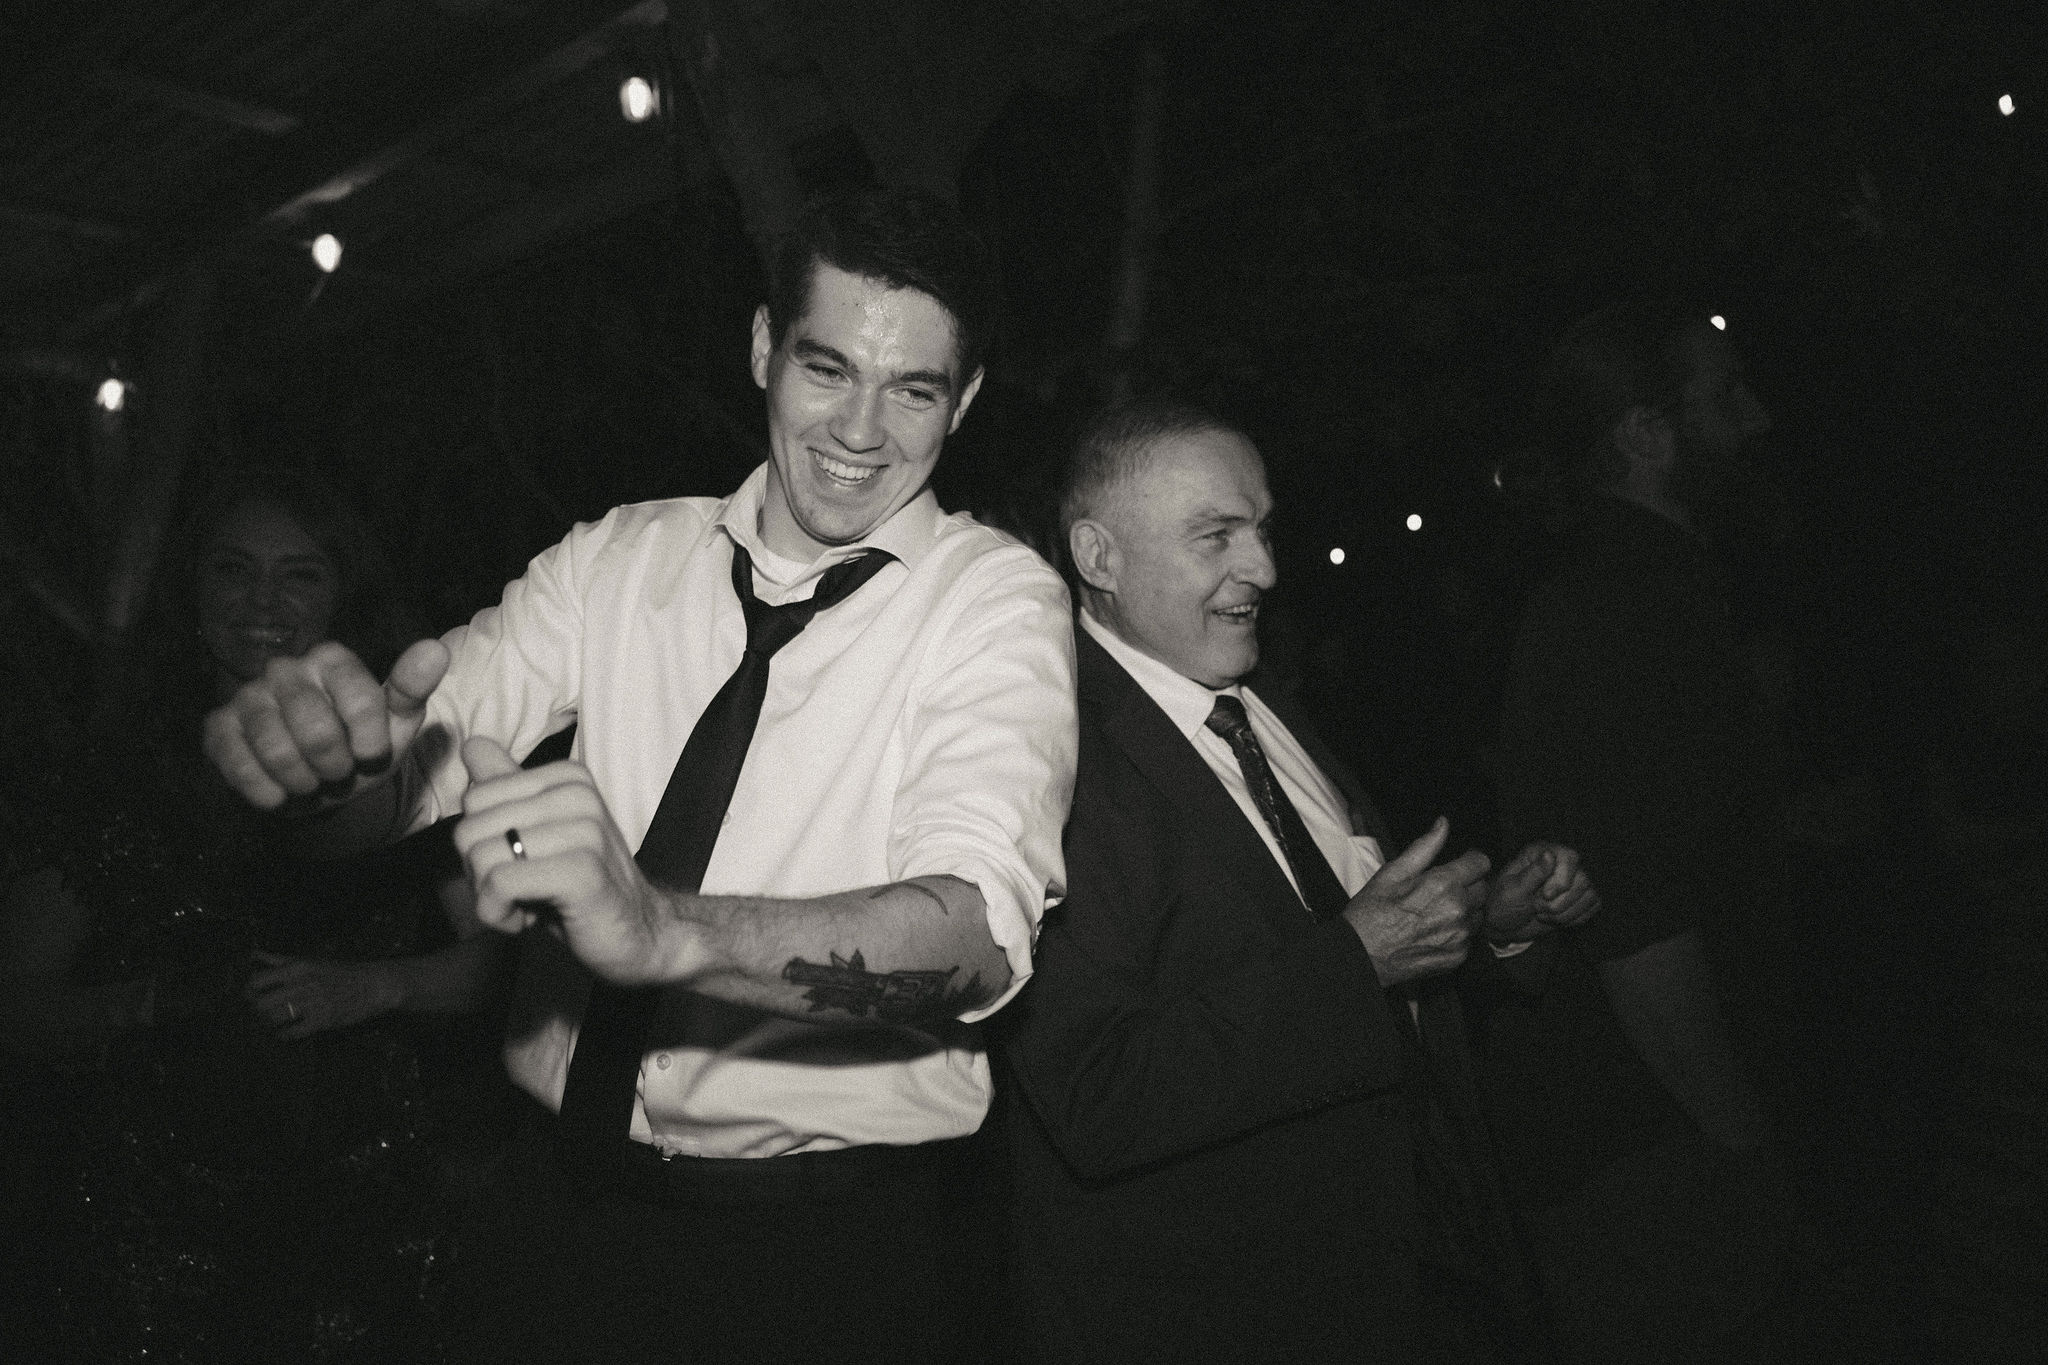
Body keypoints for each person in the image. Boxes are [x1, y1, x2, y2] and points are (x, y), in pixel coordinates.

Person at [201, 187, 1078, 1364]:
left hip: (817, 1257)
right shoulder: (616, 559)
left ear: (961, 402)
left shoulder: (992, 603)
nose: (860, 431)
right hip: (545, 1209)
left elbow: (974, 941)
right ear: (764, 349)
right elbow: (399, 783)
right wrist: (317, 777)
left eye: (912, 390)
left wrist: (665, 930)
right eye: (826, 368)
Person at [997, 398, 1599, 1363]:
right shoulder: (1053, 762)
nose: (1265, 569)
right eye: (1216, 535)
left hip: (1429, 1270)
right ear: (1098, 559)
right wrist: (1360, 958)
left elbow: (1352, 939)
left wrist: (1491, 931)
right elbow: (1095, 1094)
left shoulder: (1257, 696)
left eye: (1263, 528)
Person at [2, 467, 500, 1361]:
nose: (261, 599)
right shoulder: (107, 769)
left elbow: (499, 968)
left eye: (299, 573)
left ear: (342, 594)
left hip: (355, 1226)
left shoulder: (397, 767)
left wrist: (375, 987)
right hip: (141, 1230)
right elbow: (21, 1005)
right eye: (233, 570)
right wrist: (149, 1001)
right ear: (192, 592)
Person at [1485, 300, 1796, 1361]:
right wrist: (1741, 1140)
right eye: (1723, 396)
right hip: (1639, 1147)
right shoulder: (1629, 606)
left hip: (1646, 1135)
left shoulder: (1657, 590)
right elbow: (1633, 918)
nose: (1753, 419)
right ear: (1644, 434)